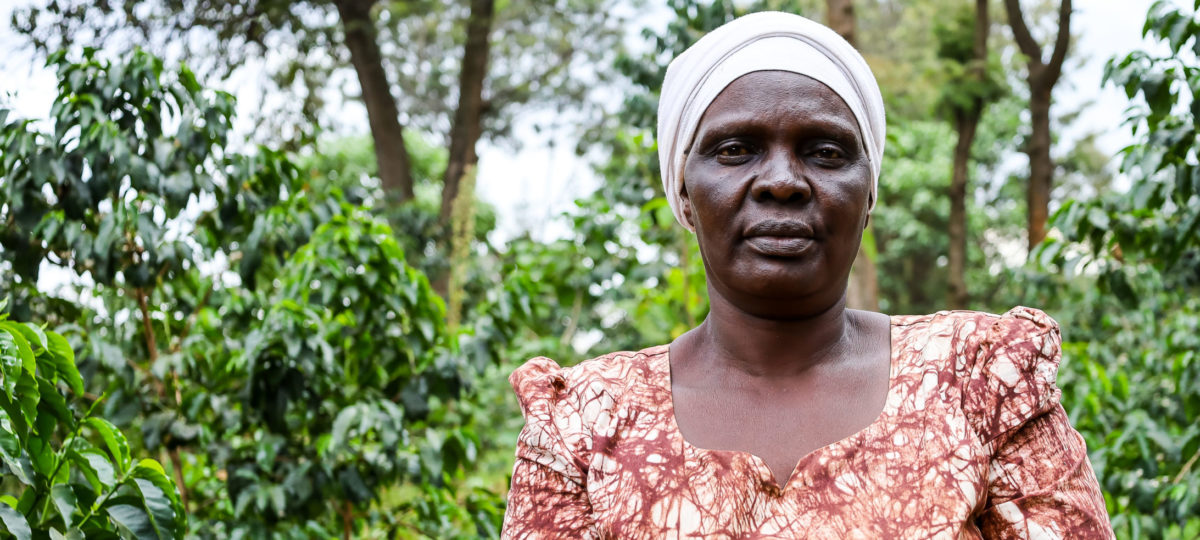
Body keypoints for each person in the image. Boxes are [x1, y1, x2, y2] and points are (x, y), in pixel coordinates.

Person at [501, 11, 1112, 539]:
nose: (782, 182)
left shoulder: (979, 383)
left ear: (868, 194)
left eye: (825, 152)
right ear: (684, 193)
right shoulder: (584, 425)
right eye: (735, 149)